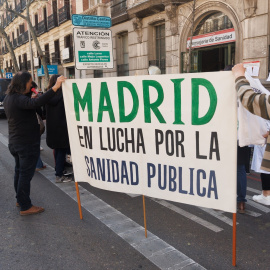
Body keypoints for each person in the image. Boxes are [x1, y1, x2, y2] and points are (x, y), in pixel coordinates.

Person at [3, 71, 66, 215]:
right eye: (30, 82)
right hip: (26, 143)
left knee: (19, 172)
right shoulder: (19, 99)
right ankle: (25, 206)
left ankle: (20, 199)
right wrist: (55, 87)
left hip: (15, 142)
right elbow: (36, 103)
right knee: (25, 175)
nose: (31, 84)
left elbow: (32, 103)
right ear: (23, 83)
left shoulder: (9, 98)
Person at [233, 63, 270, 205]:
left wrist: (240, 76)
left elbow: (251, 100)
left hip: (235, 135)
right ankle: (241, 200)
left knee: (233, 168)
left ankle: (234, 199)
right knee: (240, 168)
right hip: (243, 135)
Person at [45, 74, 72, 183]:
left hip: (52, 127)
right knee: (61, 150)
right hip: (62, 127)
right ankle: (59, 175)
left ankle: (59, 169)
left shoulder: (48, 95)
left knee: (58, 150)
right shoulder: (63, 95)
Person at [30, 81, 46, 172]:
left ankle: (38, 164)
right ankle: (38, 164)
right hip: (33, 124)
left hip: (34, 124)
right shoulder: (26, 99)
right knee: (34, 145)